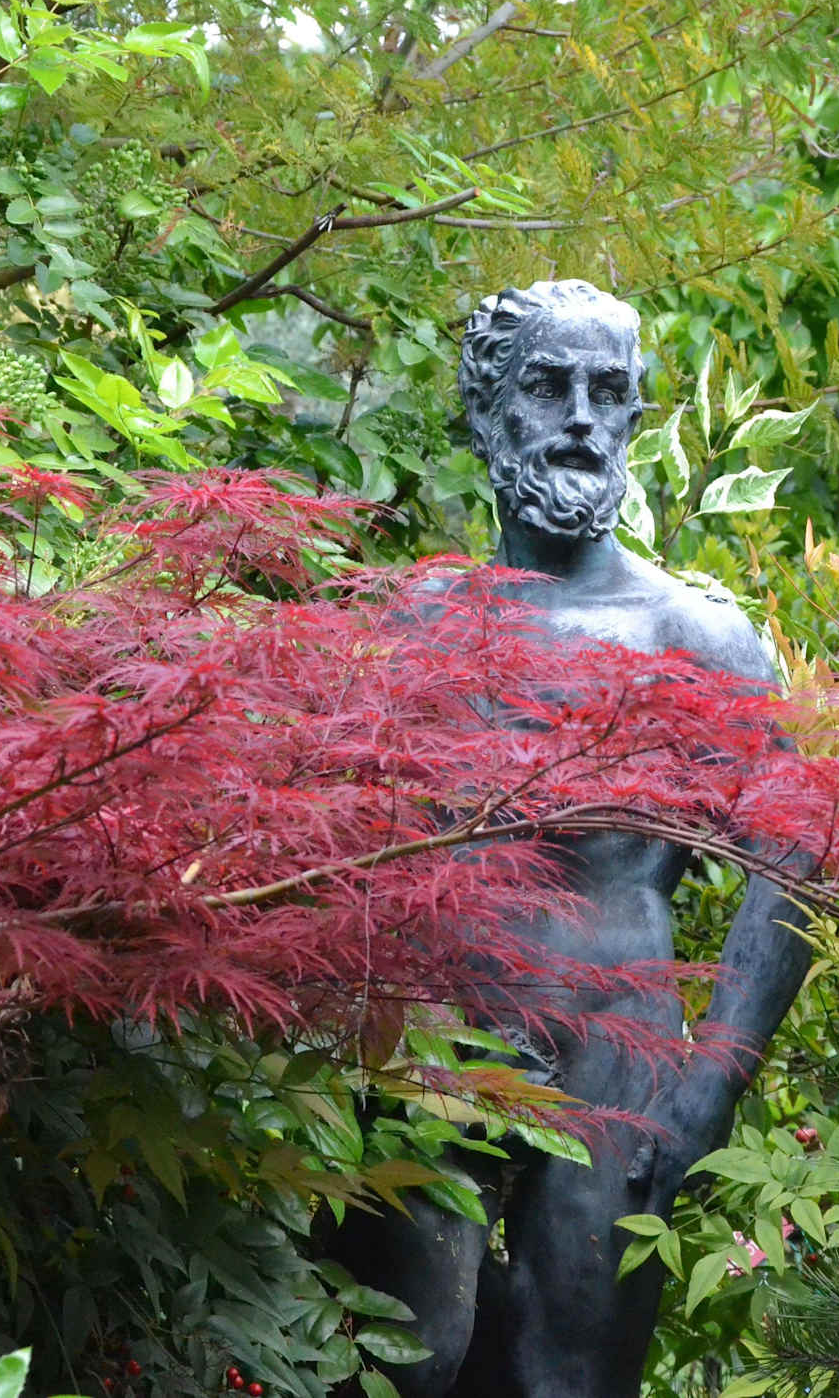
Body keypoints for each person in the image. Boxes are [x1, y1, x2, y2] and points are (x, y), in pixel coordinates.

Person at [325, 280, 812, 1398]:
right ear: (488, 410)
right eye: (549, 387)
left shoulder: (693, 634)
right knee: (400, 1363)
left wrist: (713, 1080)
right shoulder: (414, 627)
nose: (582, 419)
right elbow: (333, 844)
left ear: (637, 412)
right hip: (431, 1048)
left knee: (572, 1376)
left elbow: (791, 857)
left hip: (618, 1055)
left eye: (607, 390)